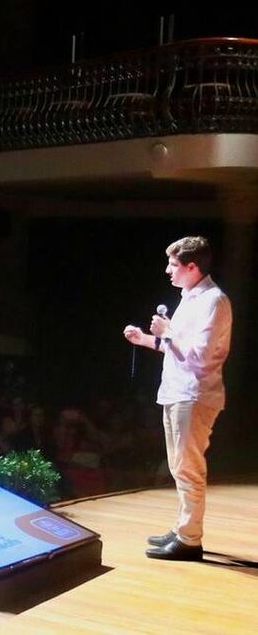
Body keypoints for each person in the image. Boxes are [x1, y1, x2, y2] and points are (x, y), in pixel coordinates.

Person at [123, 236, 233, 561]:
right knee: (178, 466)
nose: (167, 270)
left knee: (189, 467)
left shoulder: (214, 301)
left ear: (191, 266)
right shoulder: (189, 297)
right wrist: (146, 340)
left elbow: (198, 356)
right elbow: (178, 350)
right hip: (176, 392)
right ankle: (183, 528)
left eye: (173, 265)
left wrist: (167, 331)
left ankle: (190, 539)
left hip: (195, 395)